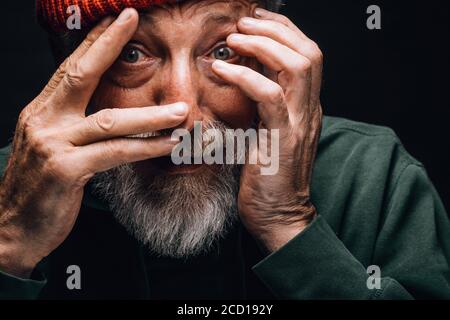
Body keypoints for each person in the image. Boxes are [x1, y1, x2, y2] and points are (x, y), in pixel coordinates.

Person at [0, 0, 449, 299]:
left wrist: (287, 222)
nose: (184, 113)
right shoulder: (12, 190)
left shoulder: (370, 173)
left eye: (222, 51)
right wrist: (12, 244)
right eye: (132, 55)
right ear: (71, 71)